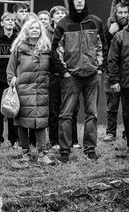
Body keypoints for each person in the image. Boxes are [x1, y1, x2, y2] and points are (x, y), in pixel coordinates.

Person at [51, 0, 105, 163]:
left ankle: (90, 150)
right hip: (71, 77)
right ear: (72, 2)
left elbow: (102, 46)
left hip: (92, 75)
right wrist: (65, 72)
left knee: (92, 115)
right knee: (65, 115)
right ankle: (65, 152)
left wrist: (100, 68)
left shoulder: (96, 22)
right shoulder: (63, 24)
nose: (79, 1)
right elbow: (55, 50)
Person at [7, 18, 55, 165]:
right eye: (32, 28)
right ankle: (25, 153)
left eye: (37, 28)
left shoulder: (46, 47)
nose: (35, 30)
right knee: (22, 122)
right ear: (26, 30)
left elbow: (52, 68)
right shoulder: (19, 47)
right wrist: (12, 81)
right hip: (24, 90)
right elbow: (10, 68)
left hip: (42, 90)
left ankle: (42, 155)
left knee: (41, 122)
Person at [47, 5, 79, 152]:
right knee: (54, 110)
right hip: (54, 76)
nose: (59, 15)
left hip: (71, 75)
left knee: (71, 109)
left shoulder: (71, 29)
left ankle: (73, 140)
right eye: (56, 13)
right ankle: (54, 141)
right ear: (52, 17)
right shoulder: (47, 33)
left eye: (62, 13)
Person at [102, 2, 129, 143]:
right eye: (120, 13)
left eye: (125, 12)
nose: (123, 15)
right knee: (112, 105)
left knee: (127, 107)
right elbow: (101, 44)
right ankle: (111, 132)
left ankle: (126, 131)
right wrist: (109, 32)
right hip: (112, 70)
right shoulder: (110, 25)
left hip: (127, 72)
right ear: (115, 13)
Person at [0, 12, 18, 151]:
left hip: (14, 81)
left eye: (13, 20)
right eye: (7, 20)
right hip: (0, 81)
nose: (10, 22)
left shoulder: (18, 40)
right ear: (2, 23)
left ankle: (14, 141)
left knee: (13, 110)